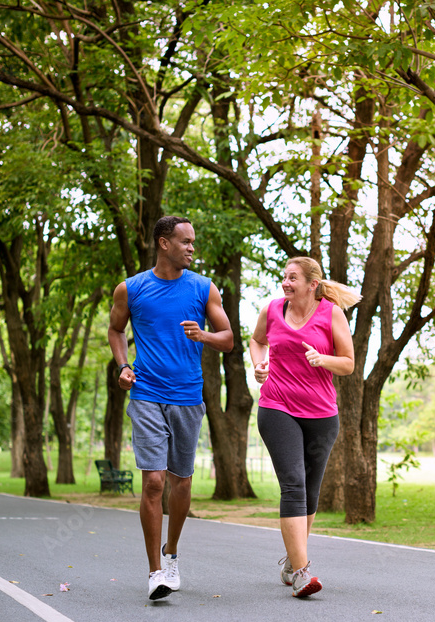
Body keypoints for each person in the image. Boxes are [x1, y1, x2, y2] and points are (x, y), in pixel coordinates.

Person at [107, 216, 233, 601]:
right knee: (154, 481)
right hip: (145, 393)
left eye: (193, 242)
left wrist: (204, 335)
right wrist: (123, 367)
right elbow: (116, 331)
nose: (192, 248)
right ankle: (155, 572)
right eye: (186, 241)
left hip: (188, 396)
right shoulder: (131, 289)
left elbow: (227, 339)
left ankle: (172, 552)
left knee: (182, 481)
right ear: (164, 243)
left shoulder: (202, 287)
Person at [249, 257, 360, 597]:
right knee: (293, 485)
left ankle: (291, 562)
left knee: (310, 492)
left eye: (292, 277)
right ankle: (301, 572)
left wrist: (322, 359)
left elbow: (349, 363)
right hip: (277, 407)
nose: (285, 282)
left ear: (312, 284)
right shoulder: (271, 310)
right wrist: (259, 366)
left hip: (322, 415)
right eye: (284, 276)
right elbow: (256, 342)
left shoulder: (331, 314)